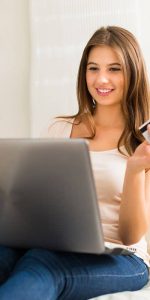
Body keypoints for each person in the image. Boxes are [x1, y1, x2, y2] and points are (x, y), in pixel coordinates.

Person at [0, 25, 150, 300]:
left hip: (124, 257)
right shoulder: (60, 129)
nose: (101, 79)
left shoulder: (143, 144)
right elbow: (34, 199)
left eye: (114, 69)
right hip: (55, 243)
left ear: (133, 72)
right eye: (93, 68)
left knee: (43, 267)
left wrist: (135, 169)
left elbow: (130, 235)